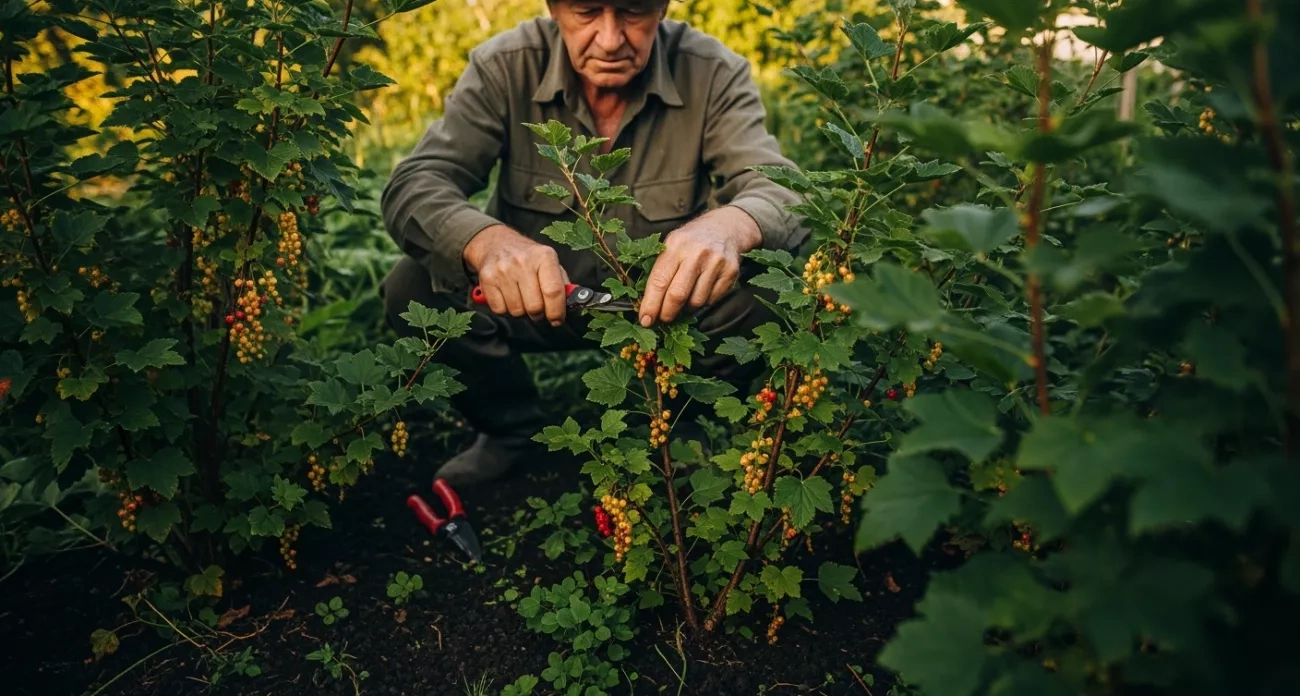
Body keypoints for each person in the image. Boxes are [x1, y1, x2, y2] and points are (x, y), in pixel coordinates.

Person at [379, 0, 806, 486]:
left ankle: (676, 417)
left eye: (633, 11)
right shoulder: (505, 65)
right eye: (586, 11)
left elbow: (781, 190)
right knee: (411, 288)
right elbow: (417, 180)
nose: (609, 38)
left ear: (663, 7)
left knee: (770, 286)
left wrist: (728, 226)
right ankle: (509, 429)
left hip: (664, 311)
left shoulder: (713, 71)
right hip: (532, 304)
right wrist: (487, 243)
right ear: (553, 7)